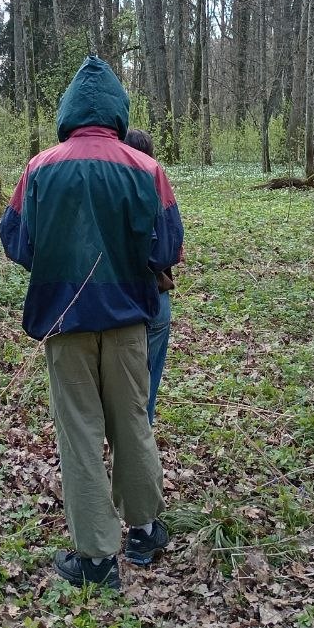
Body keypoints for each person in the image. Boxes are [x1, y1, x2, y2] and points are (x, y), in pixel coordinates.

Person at [0, 57, 183, 590]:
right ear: (119, 112)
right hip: (129, 320)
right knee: (131, 420)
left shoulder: (39, 167)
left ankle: (98, 559)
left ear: (69, 111)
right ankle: (145, 530)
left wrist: (58, 267)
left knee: (79, 432)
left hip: (65, 321)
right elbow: (169, 246)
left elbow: (15, 238)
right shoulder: (146, 169)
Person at [123, 128, 175, 426]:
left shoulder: (109, 190)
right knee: (148, 376)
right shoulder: (156, 182)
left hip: (119, 297)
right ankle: (142, 430)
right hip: (153, 295)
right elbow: (170, 248)